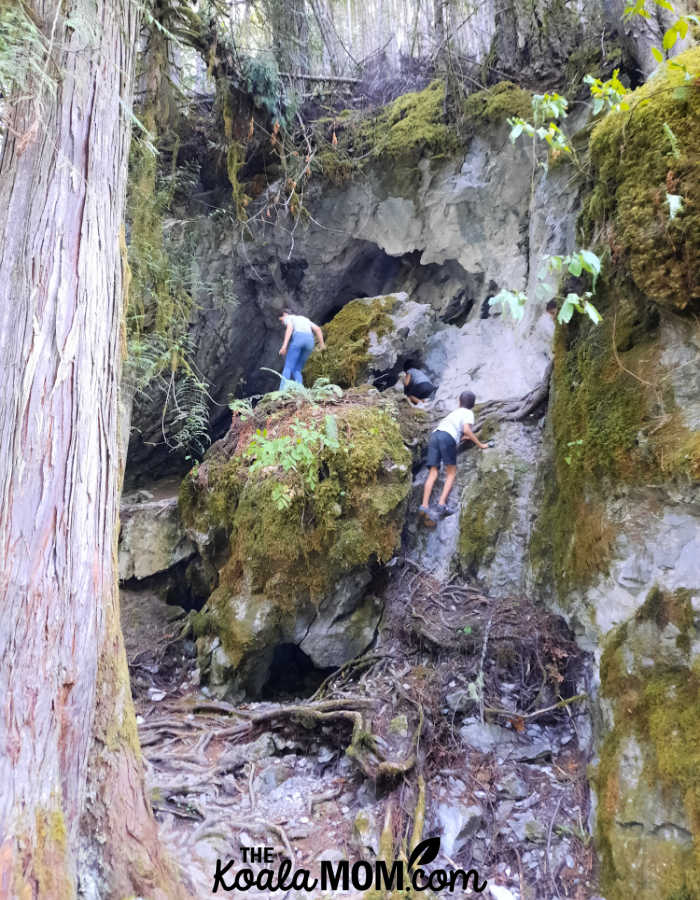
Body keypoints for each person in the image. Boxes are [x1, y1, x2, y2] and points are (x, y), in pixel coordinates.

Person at [419, 390, 489, 526]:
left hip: (435, 436)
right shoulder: (468, 413)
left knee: (433, 472)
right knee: (451, 473)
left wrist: (462, 437)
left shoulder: (454, 413)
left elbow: (457, 431)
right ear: (473, 405)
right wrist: (480, 444)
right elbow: (467, 430)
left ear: (459, 402)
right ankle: (441, 504)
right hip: (447, 438)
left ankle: (424, 505)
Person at [278, 308, 325, 386]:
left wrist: (284, 346)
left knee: (288, 367)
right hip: (310, 341)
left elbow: (289, 328)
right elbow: (318, 329)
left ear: (284, 314)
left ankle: (282, 391)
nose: (282, 322)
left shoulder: (288, 318)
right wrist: (322, 344)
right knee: (297, 369)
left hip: (299, 338)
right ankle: (300, 390)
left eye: (281, 320)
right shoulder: (304, 319)